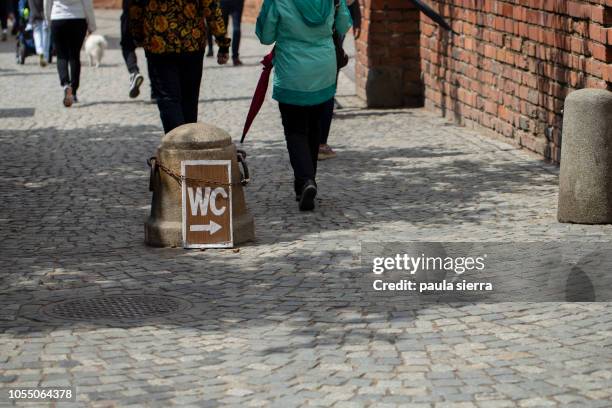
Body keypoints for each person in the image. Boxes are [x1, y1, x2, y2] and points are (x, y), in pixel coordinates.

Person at [256, 0, 351, 211]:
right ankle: (304, 185)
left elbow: (265, 36)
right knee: (314, 128)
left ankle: (306, 180)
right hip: (323, 69)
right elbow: (344, 25)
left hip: (292, 71)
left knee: (295, 130)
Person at [129, 0, 231, 133]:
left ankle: (178, 145)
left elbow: (136, 7)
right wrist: (222, 42)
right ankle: (187, 145)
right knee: (189, 100)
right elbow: (211, 6)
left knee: (168, 99)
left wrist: (138, 35)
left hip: (159, 43)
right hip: (192, 43)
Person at [318, 0, 360, 160]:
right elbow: (344, 24)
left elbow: (267, 32)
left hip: (295, 54)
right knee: (327, 92)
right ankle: (320, 144)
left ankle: (304, 143)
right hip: (327, 47)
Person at [44, 0, 96, 107]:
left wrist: (49, 20)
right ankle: (74, 91)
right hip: (78, 19)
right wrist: (92, 25)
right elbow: (87, 4)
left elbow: (47, 3)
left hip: (57, 18)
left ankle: (65, 84)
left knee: (61, 56)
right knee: (75, 56)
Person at [220, 0, 243, 65]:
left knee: (236, 30)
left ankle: (235, 56)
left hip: (237, 4)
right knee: (223, 30)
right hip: (223, 3)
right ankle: (223, 53)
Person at [28, 0, 50, 66]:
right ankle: (45, 56)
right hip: (45, 15)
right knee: (46, 35)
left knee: (37, 34)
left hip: (34, 16)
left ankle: (40, 51)